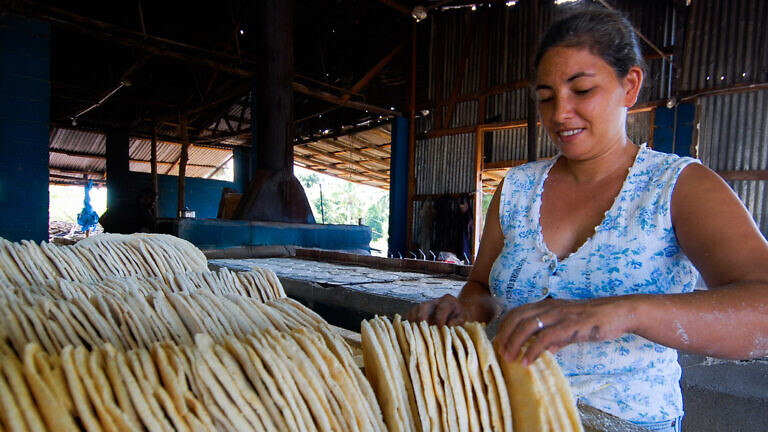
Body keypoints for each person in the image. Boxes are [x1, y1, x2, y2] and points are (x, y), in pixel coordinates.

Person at [407, 6, 768, 430]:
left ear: (629, 85)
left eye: (581, 90)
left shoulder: (676, 187)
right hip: (510, 414)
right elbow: (482, 287)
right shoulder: (518, 189)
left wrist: (625, 312)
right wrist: (463, 312)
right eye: (545, 96)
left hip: (627, 422)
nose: (559, 113)